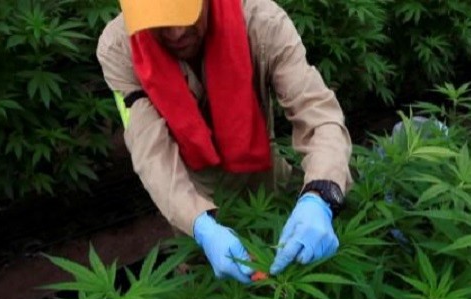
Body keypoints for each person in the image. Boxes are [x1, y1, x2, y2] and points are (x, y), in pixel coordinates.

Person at [96, 0, 352, 283]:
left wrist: (320, 195)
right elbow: (150, 152)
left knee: (292, 273)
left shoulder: (262, 22)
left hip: (265, 186)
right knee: (212, 294)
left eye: (186, 14)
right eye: (161, 21)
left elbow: (317, 113)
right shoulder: (118, 48)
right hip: (188, 195)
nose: (177, 32)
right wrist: (201, 226)